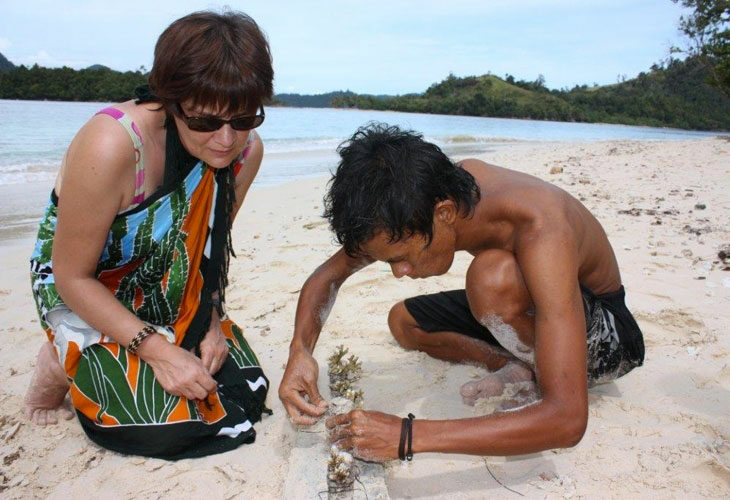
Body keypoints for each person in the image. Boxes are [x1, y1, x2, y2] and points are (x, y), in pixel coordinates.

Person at [279, 123, 644, 461]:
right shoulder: (424, 194)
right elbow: (329, 274)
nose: (399, 272)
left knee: (490, 277)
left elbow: (567, 420)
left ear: (445, 214)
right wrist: (300, 351)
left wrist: (407, 436)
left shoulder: (539, 227)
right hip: (525, 300)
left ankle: (544, 373)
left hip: (607, 331)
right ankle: (515, 365)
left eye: (403, 258)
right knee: (404, 321)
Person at [25, 10, 274, 459]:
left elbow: (208, 247)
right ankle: (60, 355)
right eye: (204, 121)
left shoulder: (246, 151)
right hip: (85, 284)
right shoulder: (114, 144)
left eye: (242, 119)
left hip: (166, 281)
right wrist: (158, 351)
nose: (225, 139)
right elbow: (70, 276)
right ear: (171, 99)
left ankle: (95, 348)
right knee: (168, 427)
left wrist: (212, 319)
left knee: (244, 393)